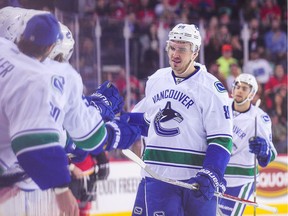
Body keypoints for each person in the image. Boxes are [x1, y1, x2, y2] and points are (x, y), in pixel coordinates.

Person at [0, 11, 140, 216]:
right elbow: (39, 142)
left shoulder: (3, 49)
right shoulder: (41, 80)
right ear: (49, 48)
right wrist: (61, 188)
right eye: (58, 57)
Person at [125, 23, 233, 216]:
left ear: (195, 52)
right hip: (159, 178)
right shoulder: (156, 80)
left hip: (196, 183)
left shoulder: (212, 89)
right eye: (172, 47)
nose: (175, 54)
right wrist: (117, 121)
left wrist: (212, 173)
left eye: (182, 49)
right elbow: (147, 122)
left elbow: (222, 139)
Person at [218, 73, 278, 216]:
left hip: (241, 179)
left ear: (252, 94)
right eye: (237, 86)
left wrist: (263, 151)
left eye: (244, 88)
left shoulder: (259, 118)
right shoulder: (220, 107)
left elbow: (271, 154)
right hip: (217, 173)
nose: (239, 90)